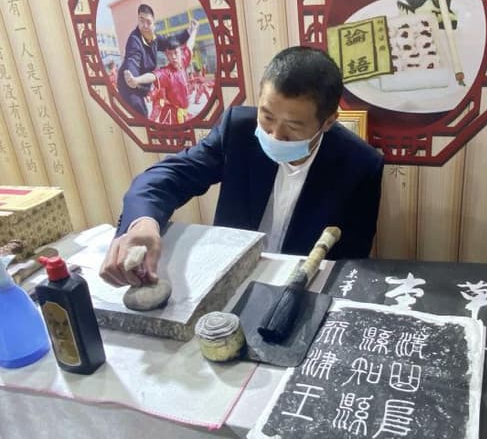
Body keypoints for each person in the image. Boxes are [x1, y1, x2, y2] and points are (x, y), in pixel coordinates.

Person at [100, 46, 384, 287]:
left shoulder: (360, 165)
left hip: (300, 290)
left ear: (328, 121)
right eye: (267, 117)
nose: (275, 135)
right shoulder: (238, 130)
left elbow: (349, 263)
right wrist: (143, 225)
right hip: (229, 278)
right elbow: (166, 178)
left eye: (293, 127)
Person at [117, 4, 197, 117]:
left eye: (148, 22)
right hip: (129, 84)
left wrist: (190, 31)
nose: (145, 26)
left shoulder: (181, 59)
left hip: (142, 85)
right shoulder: (134, 41)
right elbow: (132, 60)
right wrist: (134, 79)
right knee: (142, 114)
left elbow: (172, 42)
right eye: (141, 21)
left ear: (153, 23)